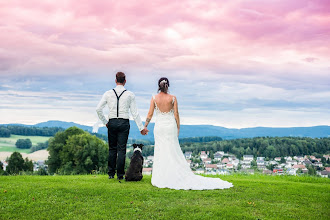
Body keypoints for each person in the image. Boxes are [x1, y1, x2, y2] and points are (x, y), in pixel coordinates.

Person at [144, 77, 233, 190]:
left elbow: (150, 114)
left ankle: (162, 176)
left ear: (158, 86)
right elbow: (176, 114)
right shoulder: (173, 98)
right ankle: (173, 175)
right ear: (168, 86)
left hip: (160, 127)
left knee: (161, 150)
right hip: (170, 126)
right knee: (172, 150)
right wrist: (178, 127)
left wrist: (145, 126)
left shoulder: (154, 98)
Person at [96, 72, 148, 180]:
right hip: (124, 123)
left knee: (112, 149)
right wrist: (141, 128)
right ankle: (120, 175)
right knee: (121, 149)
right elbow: (135, 113)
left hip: (112, 122)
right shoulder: (130, 95)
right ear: (125, 81)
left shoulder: (108, 93)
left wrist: (105, 121)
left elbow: (98, 109)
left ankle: (111, 174)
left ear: (115, 80)